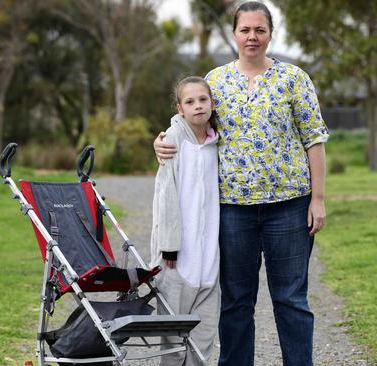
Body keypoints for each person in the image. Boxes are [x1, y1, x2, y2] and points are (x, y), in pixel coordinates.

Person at [154, 2, 330, 365]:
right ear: (234, 33)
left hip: (289, 206)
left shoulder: (294, 79)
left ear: (270, 33)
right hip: (233, 211)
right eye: (245, 30)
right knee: (236, 301)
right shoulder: (215, 81)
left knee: (291, 299)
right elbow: (188, 122)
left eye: (259, 30)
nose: (252, 37)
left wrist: (318, 199)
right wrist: (161, 142)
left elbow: (314, 139)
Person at [150, 76, 221, 365]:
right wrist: (169, 245)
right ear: (180, 108)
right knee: (173, 330)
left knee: (204, 331)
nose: (198, 106)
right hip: (176, 254)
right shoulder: (173, 139)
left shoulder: (217, 141)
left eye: (203, 100)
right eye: (190, 102)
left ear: (212, 104)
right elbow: (165, 194)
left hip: (208, 255)